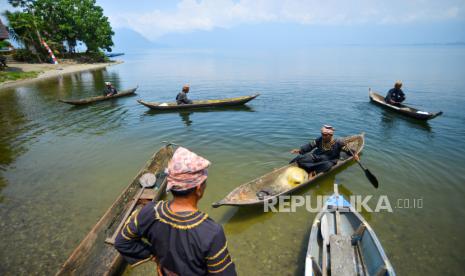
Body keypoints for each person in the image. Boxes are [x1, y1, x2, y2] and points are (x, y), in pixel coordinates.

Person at [115, 147, 236, 276]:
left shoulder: (150, 211)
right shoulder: (211, 232)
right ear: (199, 188)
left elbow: (122, 242)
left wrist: (155, 257)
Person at [290, 125, 359, 174]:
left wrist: (354, 154)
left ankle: (313, 172)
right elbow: (311, 145)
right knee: (300, 158)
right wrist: (300, 150)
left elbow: (347, 149)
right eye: (322, 134)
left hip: (329, 160)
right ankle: (290, 167)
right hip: (316, 156)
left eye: (325, 135)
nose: (323, 136)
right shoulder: (320, 139)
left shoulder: (338, 142)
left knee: (327, 165)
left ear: (331, 135)